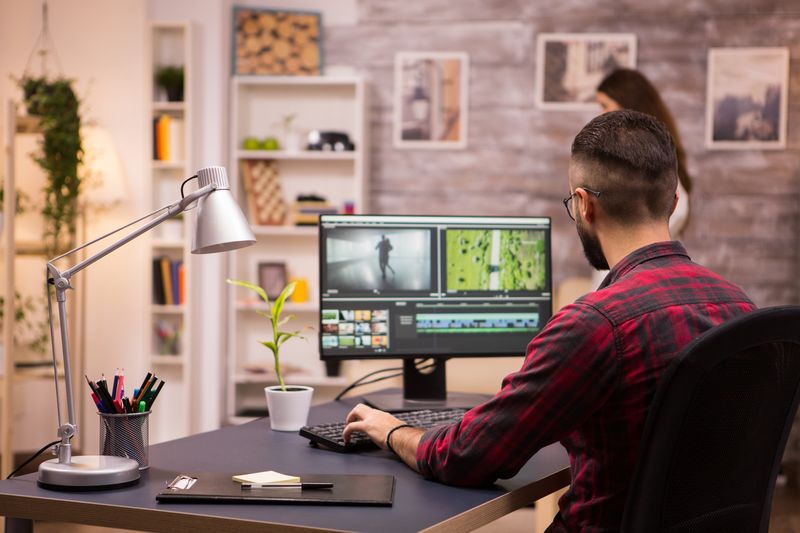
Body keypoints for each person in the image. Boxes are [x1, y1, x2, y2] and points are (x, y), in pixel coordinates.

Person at [343, 110, 755, 532]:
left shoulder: (595, 325)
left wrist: (391, 430)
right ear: (672, 202)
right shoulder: (741, 310)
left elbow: (467, 456)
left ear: (584, 204)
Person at [596, 68, 691, 237]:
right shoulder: (622, 151)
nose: (601, 114)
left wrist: (631, 241)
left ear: (627, 103)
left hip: (646, 258)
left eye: (605, 106)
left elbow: (679, 210)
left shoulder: (653, 152)